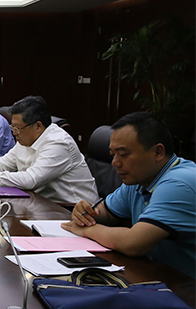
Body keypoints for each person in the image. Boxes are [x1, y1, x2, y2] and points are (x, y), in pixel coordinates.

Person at [62, 112, 195, 278]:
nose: (115, 163)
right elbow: (106, 214)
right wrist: (84, 213)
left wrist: (87, 230)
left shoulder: (179, 183)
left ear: (158, 152)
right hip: (157, 275)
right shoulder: (140, 179)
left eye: (124, 154)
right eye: (113, 155)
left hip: (186, 286)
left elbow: (133, 243)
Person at [0, 96, 97, 204]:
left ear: (38, 126)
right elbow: (5, 162)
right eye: (12, 127)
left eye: (17, 128)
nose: (14, 133)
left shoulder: (58, 143)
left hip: (71, 209)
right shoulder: (26, 137)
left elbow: (30, 179)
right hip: (39, 201)